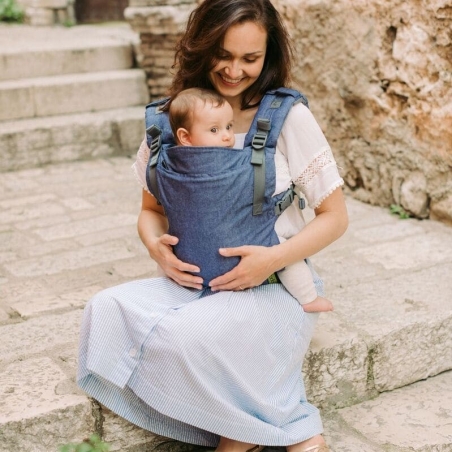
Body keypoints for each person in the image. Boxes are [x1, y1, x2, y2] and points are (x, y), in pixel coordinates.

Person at [77, 1, 348, 452]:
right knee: (105, 309)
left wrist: (271, 261)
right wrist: (155, 248)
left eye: (250, 58)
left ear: (268, 56)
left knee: (192, 335)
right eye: (224, 54)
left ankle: (258, 431)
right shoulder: (171, 120)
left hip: (273, 285)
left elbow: (335, 217)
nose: (235, 70)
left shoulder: (287, 117)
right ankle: (253, 428)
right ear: (201, 46)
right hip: (193, 279)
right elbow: (150, 211)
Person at [168, 87, 333, 314]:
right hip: (208, 258)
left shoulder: (172, 163)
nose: (227, 136)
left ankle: (308, 299)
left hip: (204, 262)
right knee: (279, 248)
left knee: (282, 252)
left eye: (229, 126)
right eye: (214, 130)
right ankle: (308, 298)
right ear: (185, 137)